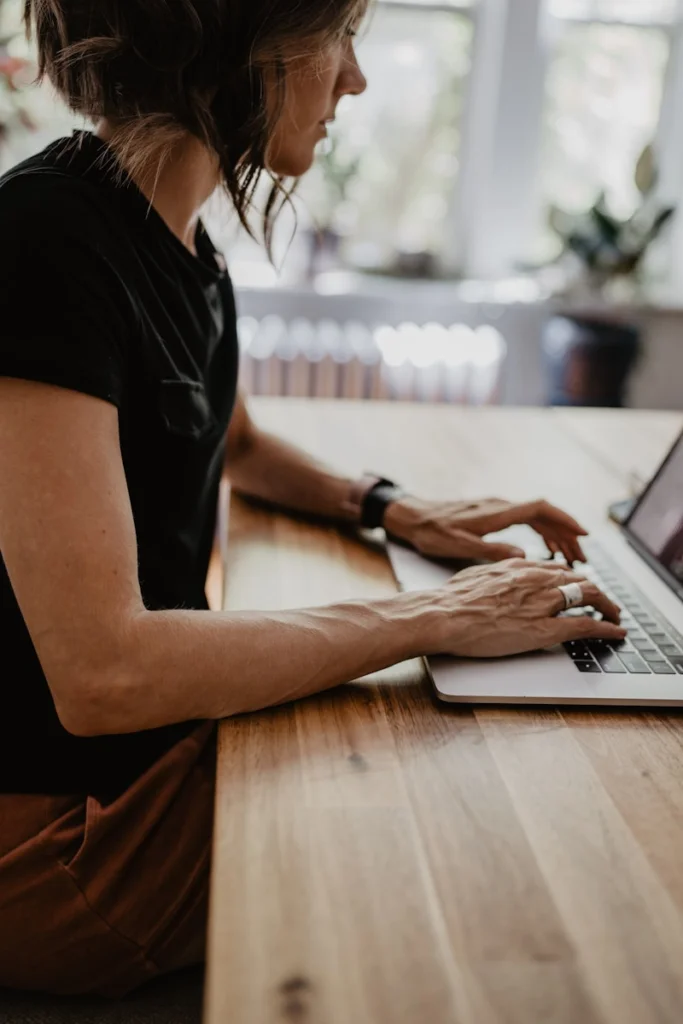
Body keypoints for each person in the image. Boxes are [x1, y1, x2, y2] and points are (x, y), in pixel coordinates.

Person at [0, 0, 625, 998]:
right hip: (63, 839)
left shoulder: (177, 239)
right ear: (242, 40)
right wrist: (429, 614)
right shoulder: (42, 240)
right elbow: (102, 670)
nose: (353, 80)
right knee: (466, 840)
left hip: (140, 772)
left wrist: (390, 506)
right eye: (339, 37)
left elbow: (231, 441)